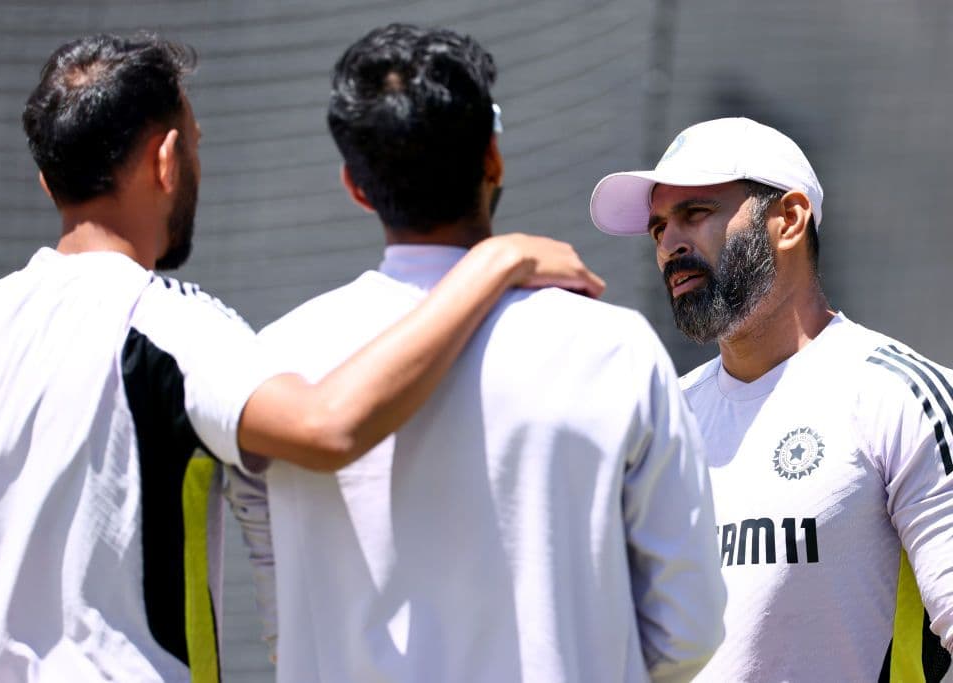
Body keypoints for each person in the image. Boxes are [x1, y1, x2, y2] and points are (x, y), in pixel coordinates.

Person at [0, 33, 604, 683]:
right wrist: (493, 261)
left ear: (49, 182)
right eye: (194, 145)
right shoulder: (169, 324)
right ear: (167, 161)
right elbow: (328, 426)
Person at [227, 23, 725, 683]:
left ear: (354, 184)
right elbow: (688, 627)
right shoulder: (614, 347)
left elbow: (280, 615)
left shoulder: (273, 364)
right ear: (493, 158)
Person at [590, 116, 953, 682]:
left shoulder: (898, 395)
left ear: (788, 220)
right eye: (659, 227)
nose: (669, 244)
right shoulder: (661, 422)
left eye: (695, 213)